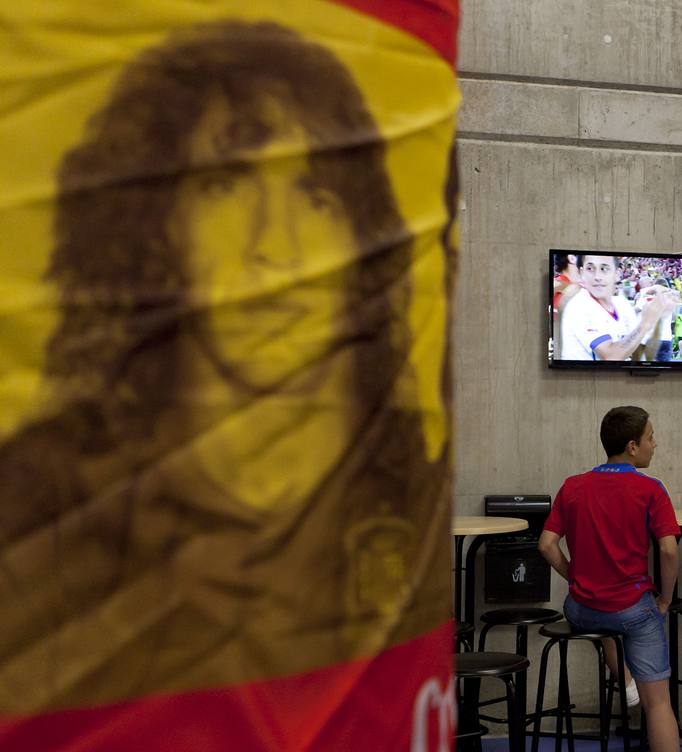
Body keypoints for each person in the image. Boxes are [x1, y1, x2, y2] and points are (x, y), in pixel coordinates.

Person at [0, 19, 448, 712]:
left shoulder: (407, 495)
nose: (276, 249)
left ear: (365, 233)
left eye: (316, 195)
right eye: (225, 187)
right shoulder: (48, 510)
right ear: (159, 226)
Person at [537, 406, 682, 752]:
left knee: (599, 614)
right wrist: (664, 599)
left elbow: (547, 545)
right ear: (632, 446)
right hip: (632, 609)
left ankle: (622, 679)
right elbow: (667, 549)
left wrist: (576, 577)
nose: (654, 443)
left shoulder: (572, 486)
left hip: (583, 607)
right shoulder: (651, 490)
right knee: (658, 701)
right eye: (650, 436)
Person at [558, 255, 676, 362]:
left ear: (617, 274)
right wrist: (647, 322)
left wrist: (659, 318)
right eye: (590, 269)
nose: (597, 277)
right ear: (581, 273)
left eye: (604, 269)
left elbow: (638, 351)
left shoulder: (622, 304)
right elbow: (611, 356)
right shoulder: (580, 305)